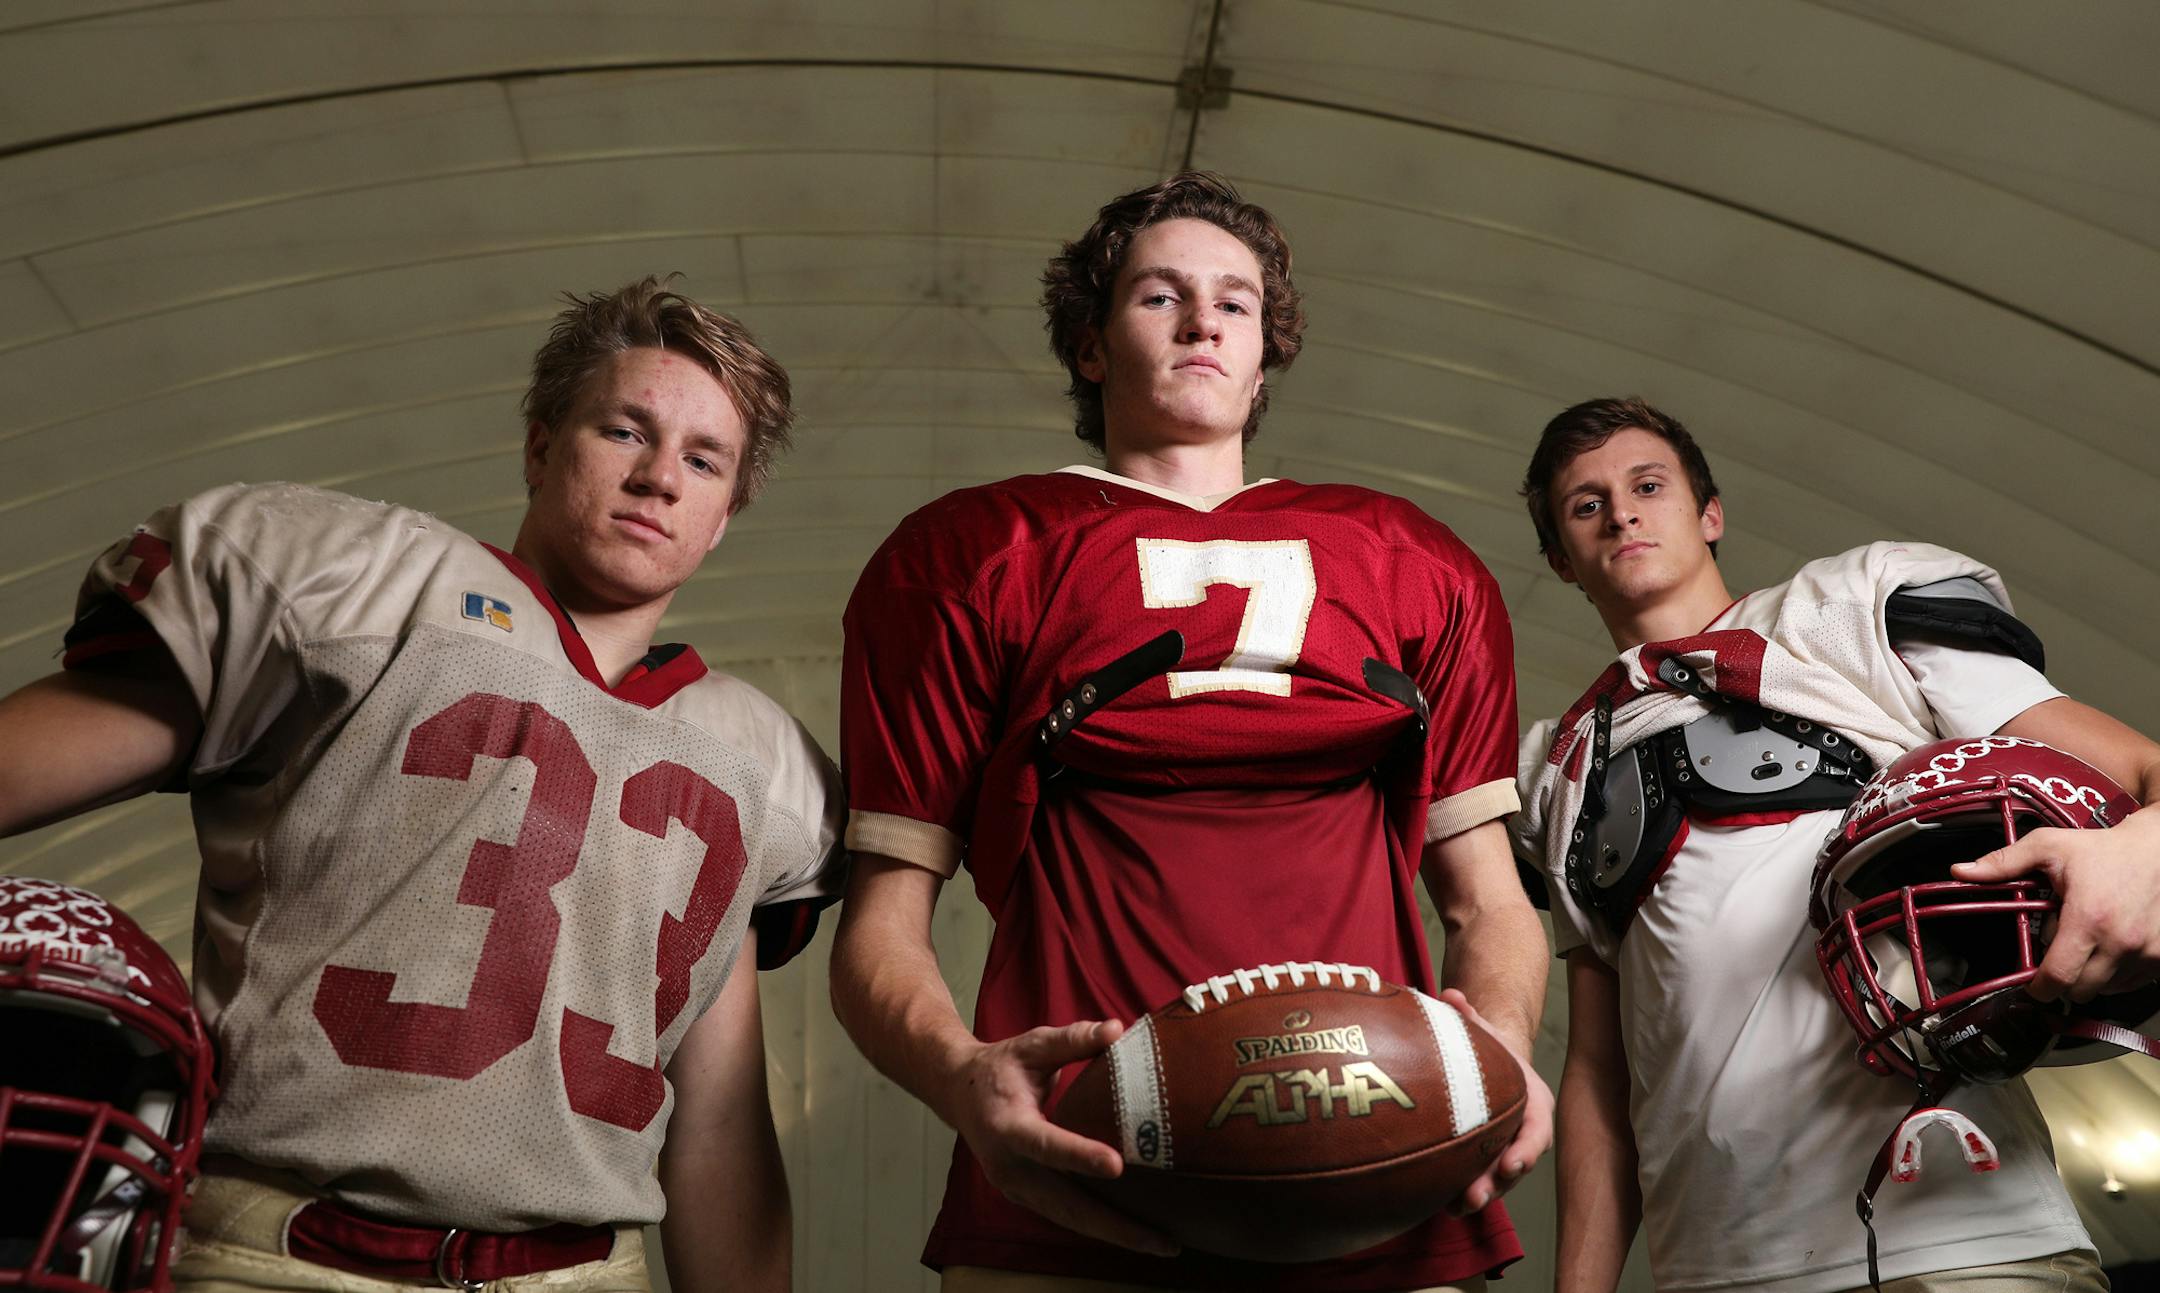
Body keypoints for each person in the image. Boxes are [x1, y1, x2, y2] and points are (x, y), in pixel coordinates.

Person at [0, 276, 843, 1293]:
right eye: (625, 431)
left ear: (723, 518)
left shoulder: (754, 760)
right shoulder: (358, 591)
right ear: (541, 447)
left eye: (703, 461)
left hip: (581, 1278)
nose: (661, 477)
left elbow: (717, 1128)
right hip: (282, 1259)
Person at [829, 172, 1552, 1293]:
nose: (1205, 318)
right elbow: (881, 928)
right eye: (1160, 296)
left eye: (1237, 301)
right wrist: (961, 1078)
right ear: (1089, 343)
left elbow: (1489, 899)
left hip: (1374, 1152)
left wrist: (1495, 1050)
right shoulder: (967, 555)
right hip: (1081, 1156)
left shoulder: (1417, 563)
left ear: (1267, 354)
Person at [1513, 396, 2160, 1293]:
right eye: (1586, 505)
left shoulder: (1848, 612)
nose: (1621, 512)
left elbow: (2140, 770)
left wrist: (2143, 851)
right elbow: (1596, 1072)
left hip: (1960, 1236)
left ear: (1710, 513)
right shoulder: (1561, 765)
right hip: (1711, 1264)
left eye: (1647, 485)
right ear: (1559, 559)